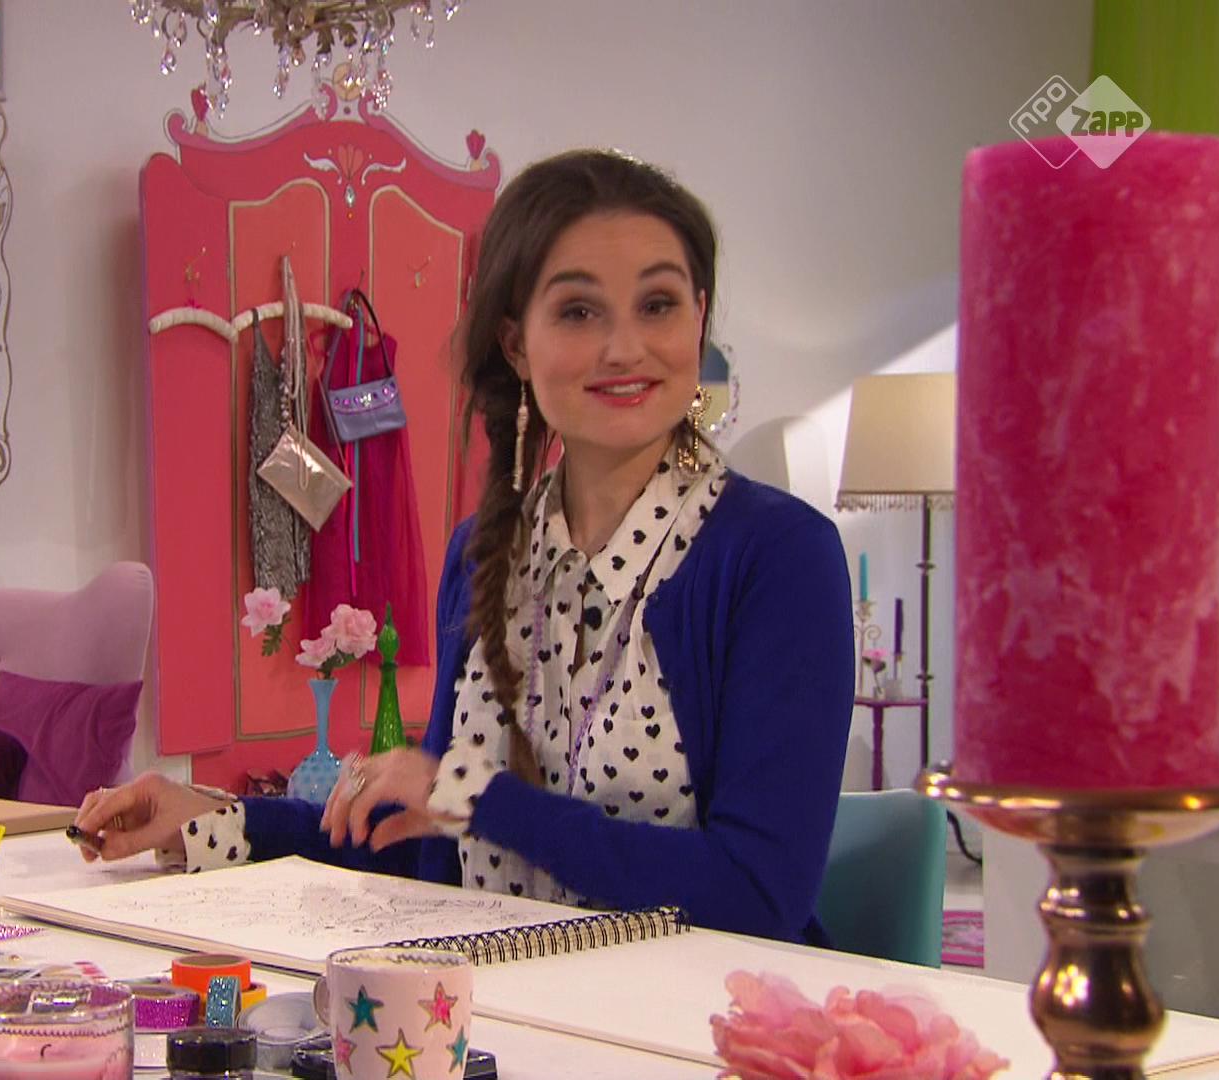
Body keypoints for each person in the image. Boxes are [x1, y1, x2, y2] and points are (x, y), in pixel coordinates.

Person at [77, 150, 853, 945]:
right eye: (579, 312)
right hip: (495, 1003)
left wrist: (479, 797)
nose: (625, 347)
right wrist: (215, 822)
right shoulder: (481, 555)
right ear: (516, 344)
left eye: (658, 304)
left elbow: (759, 898)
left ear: (699, 315)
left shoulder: (779, 559)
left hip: (696, 1012)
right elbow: (421, 847)